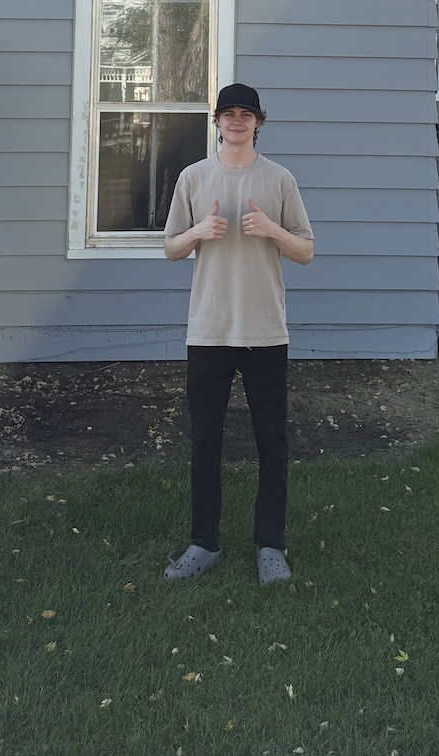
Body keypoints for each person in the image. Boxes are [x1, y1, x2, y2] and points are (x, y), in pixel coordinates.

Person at [161, 82, 314, 585]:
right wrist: (196, 234)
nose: (237, 121)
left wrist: (272, 230)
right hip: (209, 330)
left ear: (258, 122)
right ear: (217, 122)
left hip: (265, 330)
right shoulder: (193, 177)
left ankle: (270, 546)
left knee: (272, 441)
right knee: (205, 440)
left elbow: (305, 250)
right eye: (228, 114)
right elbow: (171, 249)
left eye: (245, 114)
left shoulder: (279, 179)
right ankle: (203, 543)